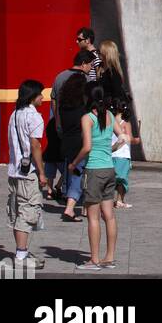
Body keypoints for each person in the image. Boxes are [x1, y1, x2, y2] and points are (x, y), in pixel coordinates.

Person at [68, 84, 123, 269]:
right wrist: (111, 149)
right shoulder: (108, 114)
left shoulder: (88, 118)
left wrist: (74, 163)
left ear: (87, 97)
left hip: (94, 169)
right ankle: (110, 257)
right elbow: (122, 137)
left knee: (93, 217)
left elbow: (87, 147)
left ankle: (94, 259)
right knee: (109, 216)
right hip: (109, 169)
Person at [6, 79, 50, 271]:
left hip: (14, 170)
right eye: (40, 93)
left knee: (17, 211)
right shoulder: (35, 117)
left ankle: (20, 251)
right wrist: (42, 173)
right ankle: (21, 255)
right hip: (28, 172)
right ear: (32, 96)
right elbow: (35, 146)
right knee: (27, 211)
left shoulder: (14, 114)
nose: (42, 97)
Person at [56, 70, 90, 223]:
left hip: (66, 143)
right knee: (78, 176)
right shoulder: (82, 109)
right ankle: (69, 209)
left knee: (72, 174)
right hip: (79, 145)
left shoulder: (64, 106)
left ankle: (81, 205)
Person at [112, 102, 142, 208]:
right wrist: (137, 140)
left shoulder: (110, 120)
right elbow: (129, 138)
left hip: (112, 153)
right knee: (122, 179)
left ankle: (111, 200)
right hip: (122, 154)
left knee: (113, 179)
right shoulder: (126, 122)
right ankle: (120, 200)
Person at [97, 41, 128, 108]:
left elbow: (117, 94)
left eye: (100, 52)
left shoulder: (113, 71)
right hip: (104, 105)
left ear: (107, 54)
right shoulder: (101, 66)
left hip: (113, 106)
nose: (98, 53)